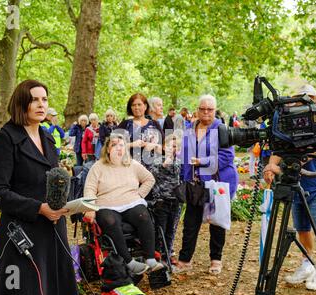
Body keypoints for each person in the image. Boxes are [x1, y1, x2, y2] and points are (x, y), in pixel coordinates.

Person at [0, 79, 78, 295]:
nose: (41, 104)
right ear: (21, 103)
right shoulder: (5, 139)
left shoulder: (47, 137)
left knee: (56, 289)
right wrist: (38, 208)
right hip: (22, 231)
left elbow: (53, 179)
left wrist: (66, 203)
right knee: (24, 292)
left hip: (53, 228)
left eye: (44, 99)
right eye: (34, 99)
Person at [263, 84, 316, 291]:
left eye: (308, 98)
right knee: (302, 228)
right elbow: (283, 146)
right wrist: (271, 164)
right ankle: (307, 264)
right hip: (296, 186)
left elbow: (304, 154)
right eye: (299, 99)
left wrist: (279, 168)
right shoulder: (292, 124)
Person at [174, 94, 239, 274]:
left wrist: (202, 161)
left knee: (216, 223)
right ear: (197, 110)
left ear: (214, 110)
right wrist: (182, 175)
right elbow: (184, 156)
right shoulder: (189, 128)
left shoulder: (222, 129)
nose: (206, 112)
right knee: (190, 223)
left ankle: (216, 259)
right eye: (202, 109)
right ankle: (185, 260)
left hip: (216, 183)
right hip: (194, 185)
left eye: (210, 109)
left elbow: (227, 157)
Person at [82, 133, 164, 274]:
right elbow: (89, 189)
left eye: (121, 145)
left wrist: (139, 194)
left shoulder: (132, 164)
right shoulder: (98, 167)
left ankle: (150, 259)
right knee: (110, 220)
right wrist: (90, 208)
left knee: (143, 215)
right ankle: (129, 262)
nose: (118, 148)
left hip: (130, 202)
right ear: (107, 149)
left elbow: (149, 179)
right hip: (106, 204)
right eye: (114, 145)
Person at [117, 93, 163, 168]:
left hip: (152, 170)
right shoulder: (125, 124)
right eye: (133, 105)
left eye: (139, 104)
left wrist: (154, 146)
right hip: (128, 168)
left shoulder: (155, 124)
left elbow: (165, 148)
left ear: (145, 106)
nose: (136, 107)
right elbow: (112, 146)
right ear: (130, 108)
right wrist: (132, 144)